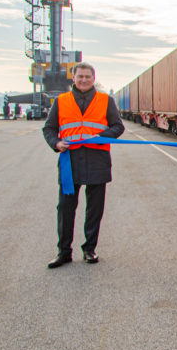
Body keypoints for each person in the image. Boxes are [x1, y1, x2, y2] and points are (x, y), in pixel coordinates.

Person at [42, 62, 125, 268]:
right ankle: (63, 252)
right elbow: (49, 129)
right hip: (70, 162)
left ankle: (89, 249)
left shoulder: (106, 100)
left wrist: (99, 137)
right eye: (80, 76)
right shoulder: (61, 101)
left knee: (94, 209)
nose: (84, 80)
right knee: (65, 208)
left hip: (97, 161)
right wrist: (56, 143)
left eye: (88, 76)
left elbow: (118, 127)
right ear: (74, 78)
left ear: (93, 78)